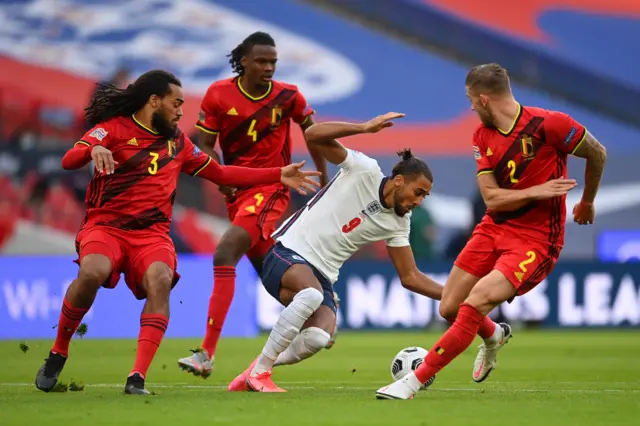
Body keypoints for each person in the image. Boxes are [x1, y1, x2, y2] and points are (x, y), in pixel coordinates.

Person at [34, 70, 321, 395]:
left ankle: (137, 377)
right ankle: (59, 351)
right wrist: (91, 150)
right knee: (93, 273)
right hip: (106, 227)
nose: (182, 111)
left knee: (160, 281)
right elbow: (69, 159)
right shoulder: (112, 129)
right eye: (176, 103)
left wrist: (276, 174)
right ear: (154, 101)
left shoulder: (178, 143)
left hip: (152, 235)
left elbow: (221, 172)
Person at [376, 63, 607, 400]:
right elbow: (491, 198)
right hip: (493, 228)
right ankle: (494, 335)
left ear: (484, 99)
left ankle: (413, 381)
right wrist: (537, 191)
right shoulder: (481, 136)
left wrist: (587, 201)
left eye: (471, 100)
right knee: (449, 308)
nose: (470, 107)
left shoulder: (550, 125)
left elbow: (597, 152)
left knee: (476, 301)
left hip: (536, 239)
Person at [228, 112, 444, 393]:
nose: (419, 201)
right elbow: (312, 135)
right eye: (419, 192)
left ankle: (252, 370)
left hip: (322, 277)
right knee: (311, 295)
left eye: (424, 196)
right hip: (287, 253)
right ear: (399, 180)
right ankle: (259, 374)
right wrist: (363, 127)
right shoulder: (364, 170)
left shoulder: (399, 222)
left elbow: (411, 276)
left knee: (317, 337)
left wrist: (454, 295)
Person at [177, 31, 332, 377]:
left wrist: (324, 178)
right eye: (262, 61)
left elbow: (315, 134)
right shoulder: (218, 95)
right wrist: (222, 180)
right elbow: (206, 145)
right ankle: (323, 319)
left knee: (225, 252)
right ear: (243, 61)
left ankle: (207, 353)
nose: (268, 68)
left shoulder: (288, 96)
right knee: (271, 271)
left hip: (275, 186)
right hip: (239, 192)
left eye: (273, 62)